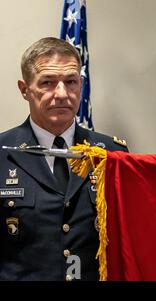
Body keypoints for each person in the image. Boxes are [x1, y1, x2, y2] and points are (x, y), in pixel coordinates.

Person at [0, 37, 128, 281]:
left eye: (70, 82)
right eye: (47, 83)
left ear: (81, 85)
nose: (61, 94)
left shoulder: (111, 153)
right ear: (24, 89)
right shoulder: (3, 152)